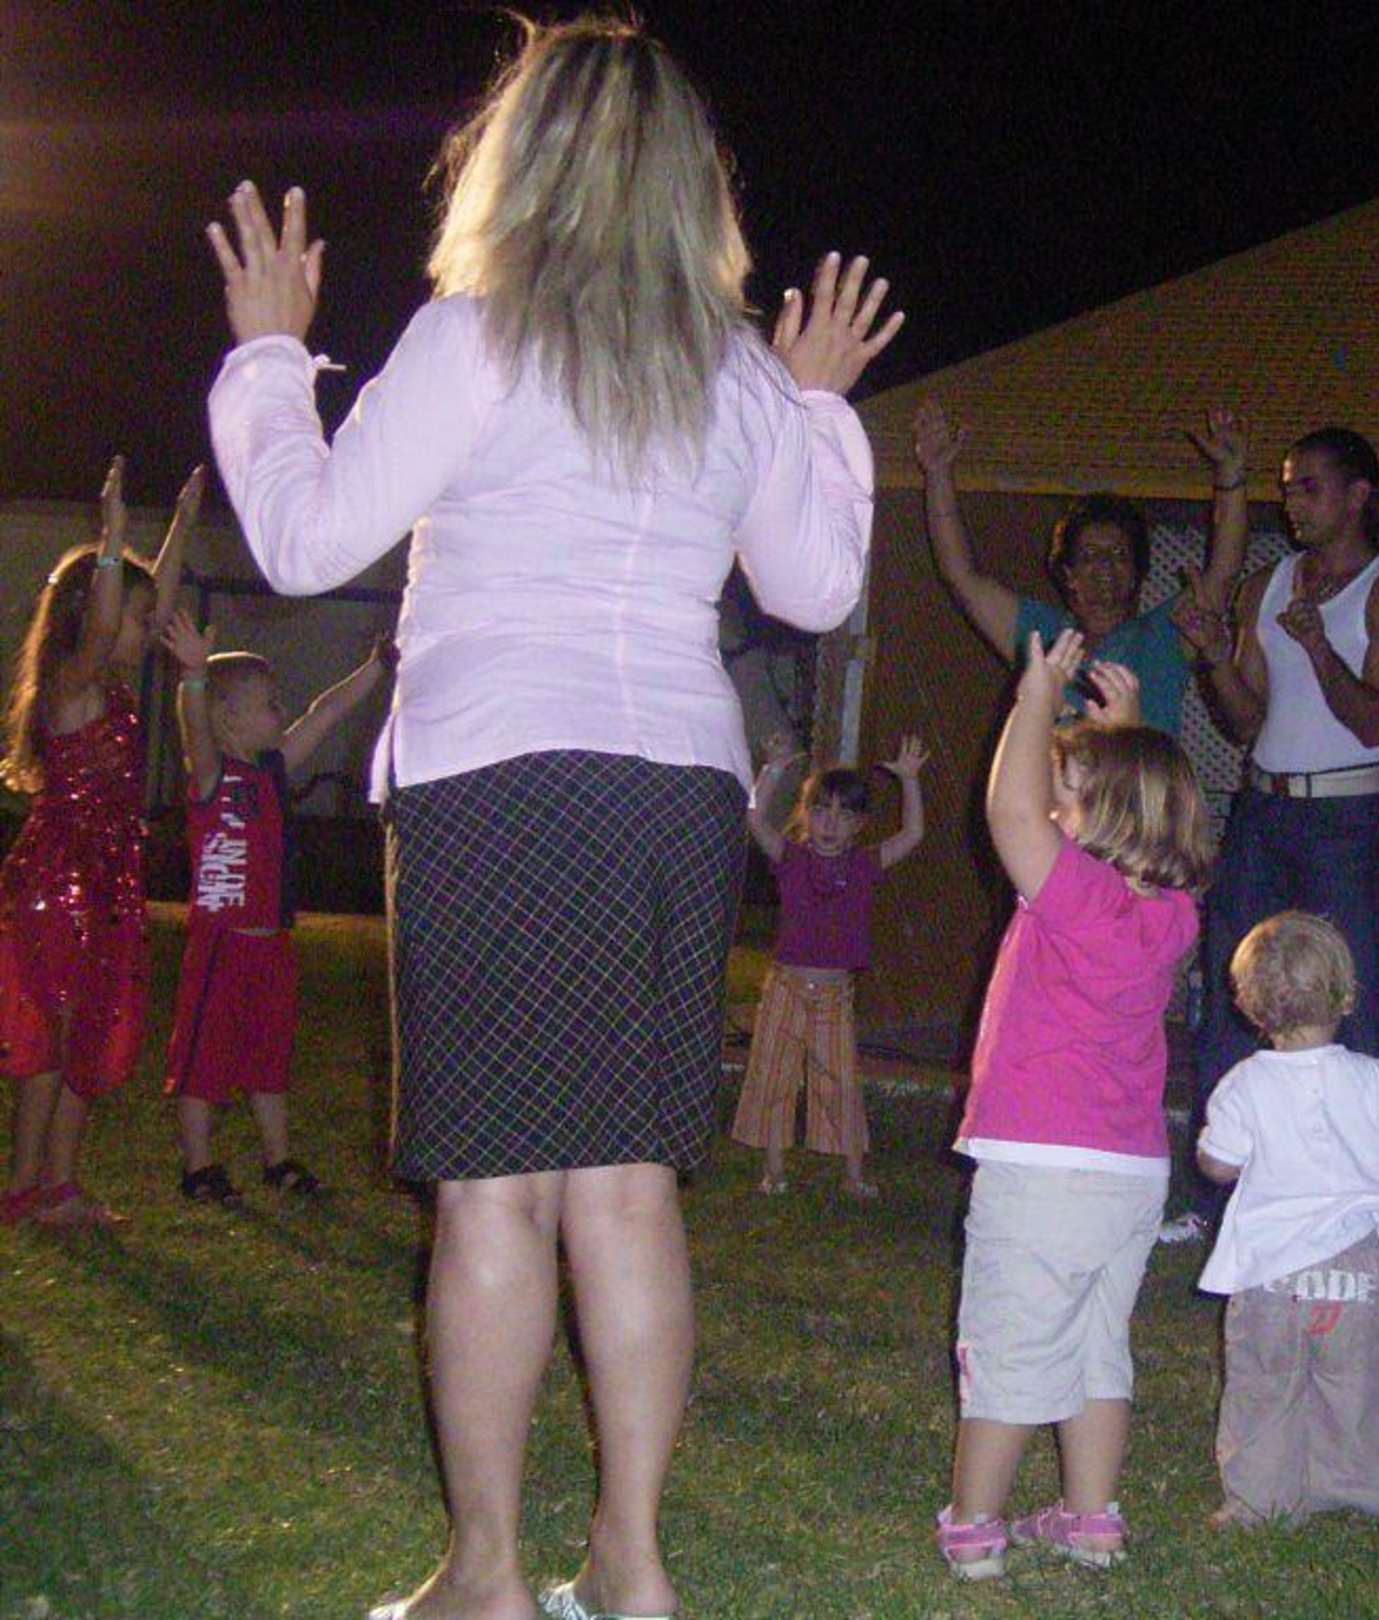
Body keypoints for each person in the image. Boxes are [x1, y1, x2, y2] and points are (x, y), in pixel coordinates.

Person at [203, 18, 899, 1619]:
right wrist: (813, 409)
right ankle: (633, 1573)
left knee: (497, 1189)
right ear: (688, 183)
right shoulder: (735, 373)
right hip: (673, 794)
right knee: (627, 1186)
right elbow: (817, 588)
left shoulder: (478, 336)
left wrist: (268, 357)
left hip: (504, 782)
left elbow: (306, 540)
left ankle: (489, 1578)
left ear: (517, 160)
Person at [938, 630, 1212, 1579]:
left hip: (1043, 1168)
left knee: (1011, 1349)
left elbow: (1008, 809)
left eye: (1071, 797)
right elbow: (1131, 807)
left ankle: (976, 1524)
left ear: (1099, 820)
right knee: (1099, 1348)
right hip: (1130, 1171)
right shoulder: (1174, 912)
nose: (1052, 808)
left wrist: (1034, 696)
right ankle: (1092, 1518)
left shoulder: (1077, 898)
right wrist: (1125, 737)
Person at [1164, 426, 1379, 1244]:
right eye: (1286, 486)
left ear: (1357, 496)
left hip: (1345, 816)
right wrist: (1216, 656)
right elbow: (1247, 720)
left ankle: (1354, 1204)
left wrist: (1316, 645)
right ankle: (1218, 1199)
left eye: (1309, 486)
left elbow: (1371, 721)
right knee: (1234, 993)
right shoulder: (1266, 584)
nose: (1292, 502)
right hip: (1265, 807)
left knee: (1349, 1002)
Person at [1, 458, 198, 1229]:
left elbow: (157, 601)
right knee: (53, 1040)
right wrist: (113, 539)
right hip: (61, 879)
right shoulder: (72, 680)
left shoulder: (109, 686)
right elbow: (111, 622)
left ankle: (57, 1186)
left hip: (107, 879)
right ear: (96, 614)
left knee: (88, 1033)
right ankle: (29, 1184)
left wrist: (182, 522)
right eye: (136, 617)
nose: (148, 630)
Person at [1196, 911, 1379, 1528]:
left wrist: (1210, 1155)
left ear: (1249, 1005)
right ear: (1346, 995)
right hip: (1355, 1263)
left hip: (1270, 1269)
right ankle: (1362, 1489)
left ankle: (1260, 1500)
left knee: (1264, 1383)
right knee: (1354, 1383)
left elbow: (1219, 1165)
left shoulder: (1244, 1084)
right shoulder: (1374, 1078)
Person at [157, 615, 393, 1204]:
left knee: (269, 1056)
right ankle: (199, 1165)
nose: (281, 711)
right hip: (222, 944)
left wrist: (377, 667)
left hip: (271, 944)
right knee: (203, 1059)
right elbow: (194, 731)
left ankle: (278, 1158)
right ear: (229, 717)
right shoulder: (212, 775)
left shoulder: (270, 771)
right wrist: (192, 677)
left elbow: (325, 713)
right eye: (268, 703)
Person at [912, 398, 1252, 732]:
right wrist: (938, 474)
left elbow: (1224, 572)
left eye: (1118, 554)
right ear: (1068, 573)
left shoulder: (1165, 633)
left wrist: (1231, 476)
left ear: (1137, 572)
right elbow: (962, 577)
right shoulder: (1040, 634)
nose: (1105, 565)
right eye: (1090, 555)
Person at [728, 733, 928, 1199]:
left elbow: (913, 835)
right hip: (786, 988)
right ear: (805, 814)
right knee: (774, 1075)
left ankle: (854, 1175)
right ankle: (774, 1170)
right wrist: (773, 769)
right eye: (820, 811)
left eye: (843, 815)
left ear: (859, 824)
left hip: (835, 996)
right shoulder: (791, 858)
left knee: (839, 1082)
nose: (830, 823)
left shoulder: (863, 865)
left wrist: (909, 780)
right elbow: (753, 817)